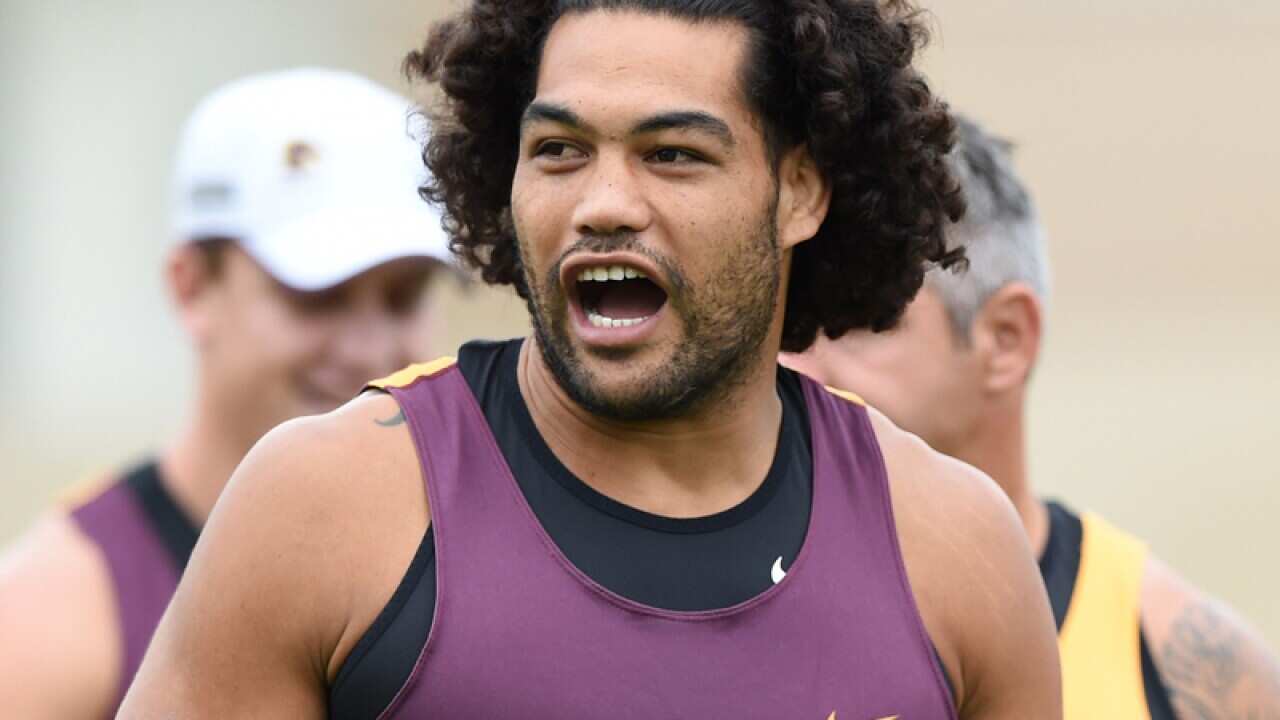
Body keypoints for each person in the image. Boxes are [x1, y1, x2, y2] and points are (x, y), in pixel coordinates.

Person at [121, 3, 1062, 718]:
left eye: (674, 155)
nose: (603, 202)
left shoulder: (956, 554)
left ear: (800, 192)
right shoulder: (325, 505)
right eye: (561, 149)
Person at [783, 116, 1280, 719]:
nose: (796, 366)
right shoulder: (715, 619)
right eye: (786, 325)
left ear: (1006, 339)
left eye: (855, 321)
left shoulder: (1192, 671)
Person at [0, 68, 452, 719]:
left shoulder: (467, 562)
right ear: (191, 288)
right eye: (317, 297)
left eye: (404, 296)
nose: (367, 349)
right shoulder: (56, 619)